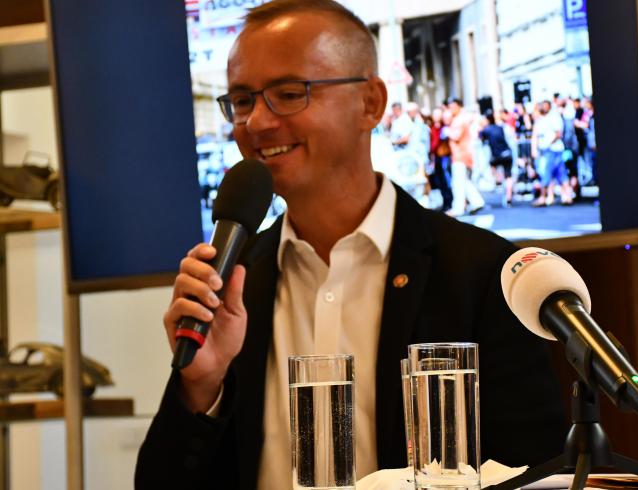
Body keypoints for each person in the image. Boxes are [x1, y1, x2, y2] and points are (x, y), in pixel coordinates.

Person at [135, 1, 566, 489]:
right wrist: (200, 386)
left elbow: (539, 471)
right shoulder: (237, 284)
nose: (256, 123)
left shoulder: (483, 274)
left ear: (371, 103)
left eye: (289, 94)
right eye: (241, 101)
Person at [445, 97, 486, 216]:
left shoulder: (460, 119)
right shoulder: (459, 118)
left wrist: (447, 132)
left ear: (459, 106)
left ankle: (458, 208)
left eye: (453, 107)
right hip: (461, 155)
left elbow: (456, 136)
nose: (451, 109)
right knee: (464, 181)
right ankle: (477, 202)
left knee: (458, 182)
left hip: (461, 155)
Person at [480, 111, 514, 207]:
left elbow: (482, 141)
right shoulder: (500, 127)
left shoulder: (486, 130)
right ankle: (509, 198)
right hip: (507, 153)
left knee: (492, 166)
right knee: (508, 176)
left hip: (497, 156)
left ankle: (498, 179)